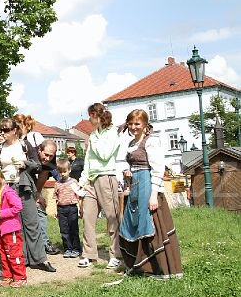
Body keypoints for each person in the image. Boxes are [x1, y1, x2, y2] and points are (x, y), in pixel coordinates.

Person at [119, 109, 183, 279]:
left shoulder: (150, 142)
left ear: (145, 125)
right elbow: (136, 166)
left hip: (148, 185)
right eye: (131, 123)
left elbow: (157, 169)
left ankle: (160, 269)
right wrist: (128, 173)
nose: (133, 127)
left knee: (150, 224)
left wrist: (154, 194)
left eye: (137, 124)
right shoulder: (132, 143)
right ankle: (141, 266)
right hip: (135, 186)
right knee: (132, 223)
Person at [0, 118, 56, 273]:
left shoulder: (24, 145)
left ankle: (40, 259)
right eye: (2, 130)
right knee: (16, 226)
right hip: (7, 188)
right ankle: (22, 259)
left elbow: (37, 165)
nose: (4, 133)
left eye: (7, 129)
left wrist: (25, 164)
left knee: (32, 223)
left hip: (24, 186)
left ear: (15, 130)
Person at [77, 103, 122, 270]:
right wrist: (82, 182)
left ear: (98, 115)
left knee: (112, 217)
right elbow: (88, 161)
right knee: (88, 217)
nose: (89, 119)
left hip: (106, 176)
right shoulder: (93, 134)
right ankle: (89, 254)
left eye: (91, 115)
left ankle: (115, 254)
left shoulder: (112, 132)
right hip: (91, 179)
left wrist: (92, 143)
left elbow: (104, 155)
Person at [0, 166, 26, 288]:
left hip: (11, 229)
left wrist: (1, 213)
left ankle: (20, 277)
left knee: (14, 253)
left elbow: (18, 207)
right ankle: (8, 276)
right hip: (0, 229)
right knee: (3, 253)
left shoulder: (8, 192)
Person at [54, 159, 82, 258]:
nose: (62, 174)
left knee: (73, 229)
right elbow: (56, 198)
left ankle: (76, 248)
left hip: (72, 208)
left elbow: (79, 196)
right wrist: (55, 210)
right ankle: (67, 248)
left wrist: (80, 208)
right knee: (64, 230)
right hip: (61, 209)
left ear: (69, 170)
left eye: (64, 171)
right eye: (60, 172)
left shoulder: (74, 182)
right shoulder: (57, 184)